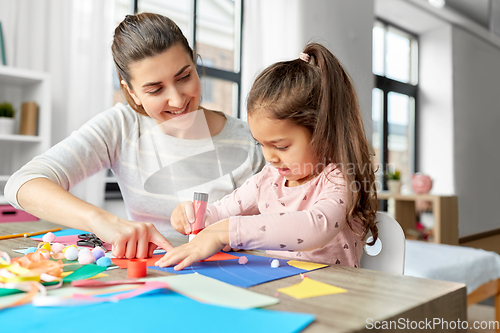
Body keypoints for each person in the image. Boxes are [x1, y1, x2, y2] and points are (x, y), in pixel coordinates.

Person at [4, 13, 265, 259]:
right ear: (131, 91)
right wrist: (104, 221)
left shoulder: (251, 141)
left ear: (195, 65)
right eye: (154, 89)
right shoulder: (122, 126)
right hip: (148, 279)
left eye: (184, 76)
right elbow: (22, 184)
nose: (176, 99)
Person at [156, 43, 379, 270]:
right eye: (260, 144)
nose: (269, 157)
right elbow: (222, 211)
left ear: (324, 132)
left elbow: (316, 226)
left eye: (281, 146)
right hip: (280, 287)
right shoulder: (268, 179)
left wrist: (226, 232)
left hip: (338, 295)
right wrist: (196, 216)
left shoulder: (338, 179)